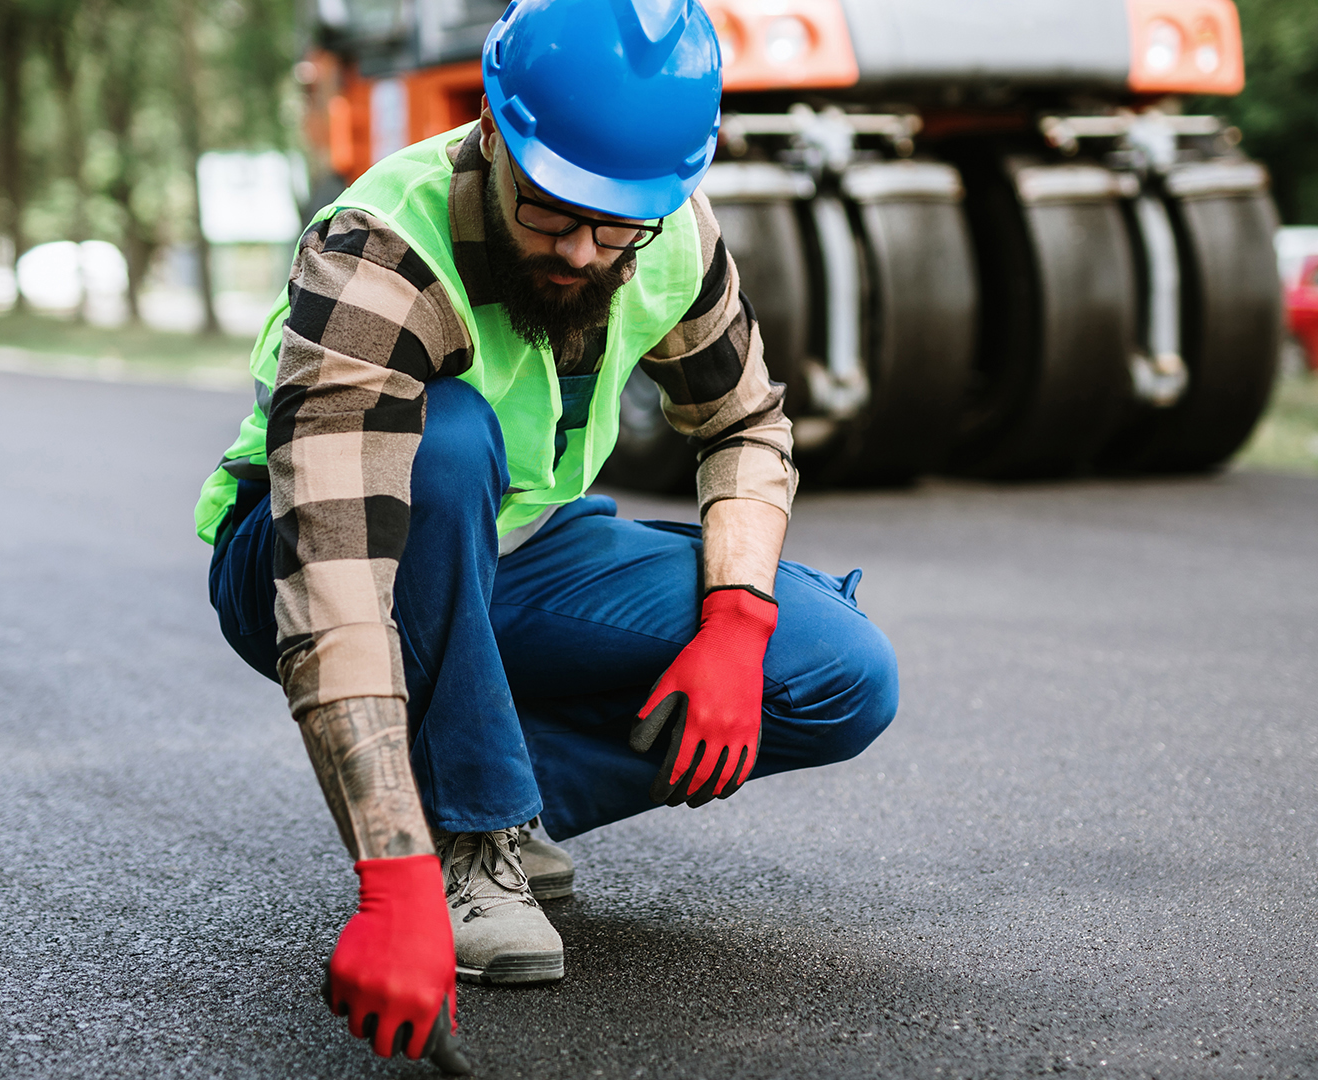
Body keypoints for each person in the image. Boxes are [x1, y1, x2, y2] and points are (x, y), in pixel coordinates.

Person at [197, 0, 899, 1068]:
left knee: (837, 672)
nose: (581, 250)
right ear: (492, 132)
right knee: (447, 439)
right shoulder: (380, 254)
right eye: (553, 212)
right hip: (312, 551)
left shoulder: (667, 232)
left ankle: (488, 796)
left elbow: (746, 424)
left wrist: (738, 621)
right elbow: (334, 588)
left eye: (617, 223)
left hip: (525, 549)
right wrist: (389, 882)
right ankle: (464, 843)